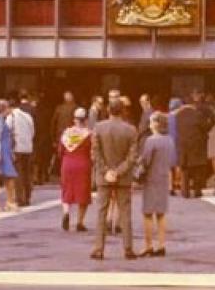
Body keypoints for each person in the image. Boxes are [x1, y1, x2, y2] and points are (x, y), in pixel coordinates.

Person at [90, 100, 138, 261]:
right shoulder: (131, 130)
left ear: (108, 110)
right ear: (123, 111)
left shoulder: (98, 127)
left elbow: (96, 153)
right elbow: (132, 157)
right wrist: (118, 171)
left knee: (101, 212)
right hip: (123, 177)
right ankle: (128, 248)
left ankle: (98, 248)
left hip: (104, 176)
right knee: (125, 212)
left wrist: (106, 171)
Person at [137, 112, 175, 257]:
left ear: (157, 124)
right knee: (161, 213)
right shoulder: (169, 140)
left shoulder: (151, 141)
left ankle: (148, 245)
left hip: (151, 179)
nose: (150, 124)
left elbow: (145, 161)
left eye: (152, 121)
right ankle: (161, 244)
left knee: (147, 213)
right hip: (164, 177)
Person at [59, 107, 92, 232]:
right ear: (86, 120)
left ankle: (66, 212)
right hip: (83, 164)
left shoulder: (66, 133)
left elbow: (60, 151)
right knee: (83, 192)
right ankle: (80, 222)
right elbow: (91, 151)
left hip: (67, 163)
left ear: (74, 119)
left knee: (67, 189)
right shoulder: (88, 134)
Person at [174, 92, 212, 199]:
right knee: (197, 168)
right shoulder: (197, 114)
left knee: (184, 169)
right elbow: (205, 127)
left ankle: (185, 191)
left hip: (182, 144)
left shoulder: (178, 115)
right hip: (196, 144)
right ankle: (197, 190)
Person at [0, 100, 18, 212]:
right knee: (9, 178)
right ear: (4, 109)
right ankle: (10, 202)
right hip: (2, 152)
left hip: (1, 151)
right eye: (8, 108)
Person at [8, 96, 35, 207]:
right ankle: (28, 196)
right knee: (27, 173)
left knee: (18, 174)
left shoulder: (11, 117)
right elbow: (33, 131)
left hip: (17, 148)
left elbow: (8, 131)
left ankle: (20, 198)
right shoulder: (28, 116)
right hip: (28, 147)